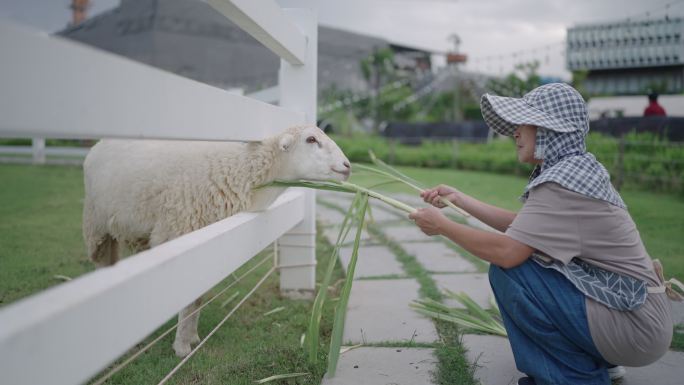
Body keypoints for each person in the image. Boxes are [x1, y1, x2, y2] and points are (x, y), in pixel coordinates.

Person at [408, 83, 680, 385]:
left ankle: (575, 376)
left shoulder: (562, 184)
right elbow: (523, 226)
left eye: (524, 123)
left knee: (511, 273)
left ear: (551, 130)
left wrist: (443, 227)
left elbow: (509, 253)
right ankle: (592, 360)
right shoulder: (575, 172)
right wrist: (461, 200)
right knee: (531, 261)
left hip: (634, 325)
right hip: (638, 317)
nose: (515, 132)